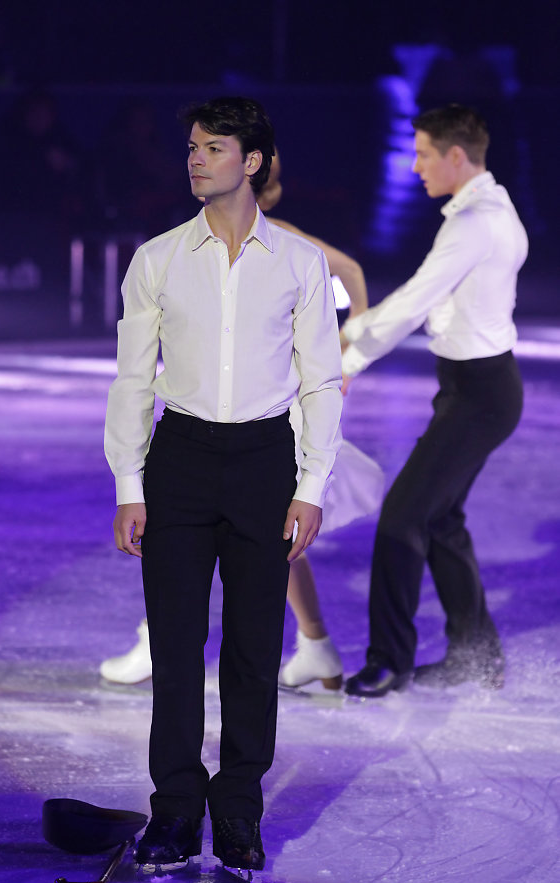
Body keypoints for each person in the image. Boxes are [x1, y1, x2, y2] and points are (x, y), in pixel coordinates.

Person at [104, 96, 343, 872]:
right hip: (180, 462)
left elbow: (319, 383)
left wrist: (309, 485)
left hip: (263, 464)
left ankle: (237, 810)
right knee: (175, 649)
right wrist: (128, 484)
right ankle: (173, 810)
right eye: (192, 147)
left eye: (213, 147)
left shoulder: (299, 264)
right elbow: (132, 380)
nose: (195, 158)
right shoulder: (158, 259)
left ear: (252, 163)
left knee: (250, 651)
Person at [100, 149, 382, 692]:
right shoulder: (187, 250)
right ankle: (316, 643)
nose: (198, 164)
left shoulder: (282, 244)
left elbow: (348, 272)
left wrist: (346, 349)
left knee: (267, 541)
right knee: (264, 543)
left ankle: (300, 644)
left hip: (273, 422)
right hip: (227, 425)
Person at [342, 104, 527, 698]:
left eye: (423, 153)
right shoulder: (488, 210)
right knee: (441, 520)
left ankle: (389, 660)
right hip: (477, 388)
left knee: (402, 519)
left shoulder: (474, 222)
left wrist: (349, 355)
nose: (414, 164)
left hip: (480, 395)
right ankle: (479, 658)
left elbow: (419, 296)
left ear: (455, 155)